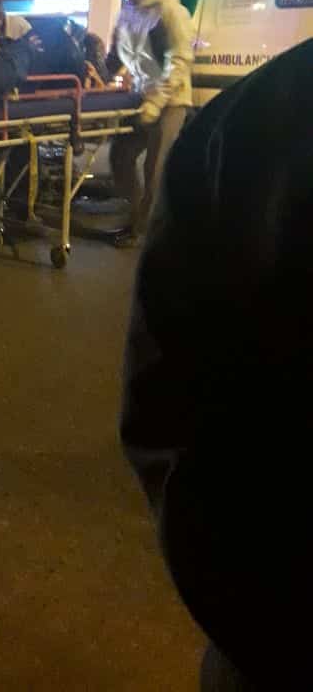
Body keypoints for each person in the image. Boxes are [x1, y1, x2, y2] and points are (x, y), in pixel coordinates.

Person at [121, 38, 313, 689]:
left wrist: (247, 618)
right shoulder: (255, 120)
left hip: (274, 628)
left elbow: (164, 402)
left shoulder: (257, 119)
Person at [107, 0, 193, 247]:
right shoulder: (129, 13)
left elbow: (180, 59)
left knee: (154, 169)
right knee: (120, 155)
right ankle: (136, 214)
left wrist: (157, 101)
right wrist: (104, 75)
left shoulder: (170, 10)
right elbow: (122, 55)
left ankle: (141, 231)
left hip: (171, 101)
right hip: (142, 97)